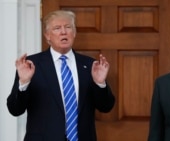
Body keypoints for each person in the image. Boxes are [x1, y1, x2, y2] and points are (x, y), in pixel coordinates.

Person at [7, 10, 115, 141]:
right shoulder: (31, 65)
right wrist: (23, 83)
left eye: (68, 27)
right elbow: (15, 109)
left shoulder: (90, 65)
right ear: (47, 35)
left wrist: (100, 84)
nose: (63, 32)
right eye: (57, 28)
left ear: (74, 33)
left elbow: (106, 107)